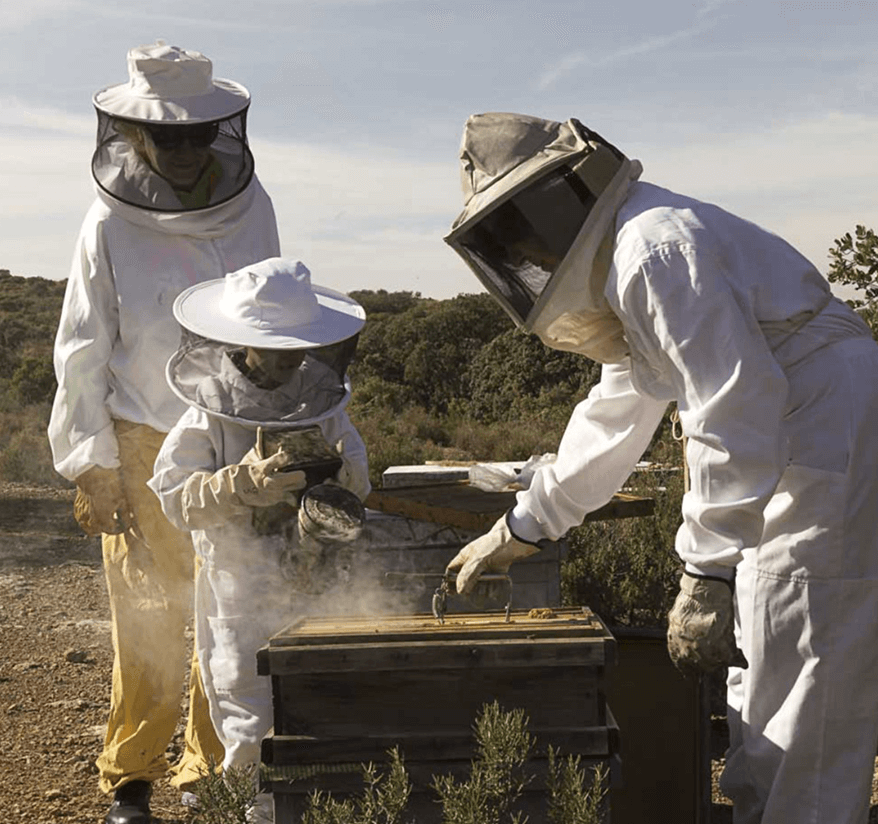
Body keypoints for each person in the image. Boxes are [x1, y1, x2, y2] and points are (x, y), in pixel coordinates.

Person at [442, 112, 878, 824]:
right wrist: (523, 525)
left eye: (519, 222)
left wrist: (704, 570)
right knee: (765, 656)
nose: (520, 246)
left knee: (807, 661)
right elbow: (619, 411)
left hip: (826, 418)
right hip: (803, 418)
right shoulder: (629, 256)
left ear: (559, 197)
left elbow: (730, 402)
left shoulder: (654, 252)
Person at [47, 41, 280, 824]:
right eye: (165, 137)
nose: (181, 151)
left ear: (218, 132)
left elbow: (272, 326)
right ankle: (132, 778)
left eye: (193, 135)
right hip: (140, 435)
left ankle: (210, 771)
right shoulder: (107, 221)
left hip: (228, 435)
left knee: (227, 606)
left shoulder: (257, 208)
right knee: (145, 613)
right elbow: (82, 342)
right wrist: (90, 464)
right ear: (136, 138)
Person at [149, 257, 370, 822]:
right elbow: (176, 499)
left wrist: (343, 476)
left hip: (317, 576)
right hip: (239, 585)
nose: (288, 361)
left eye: (296, 348)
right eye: (275, 349)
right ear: (241, 343)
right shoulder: (205, 414)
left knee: (321, 709)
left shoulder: (320, 401)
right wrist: (241, 482)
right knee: (249, 719)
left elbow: (358, 475)